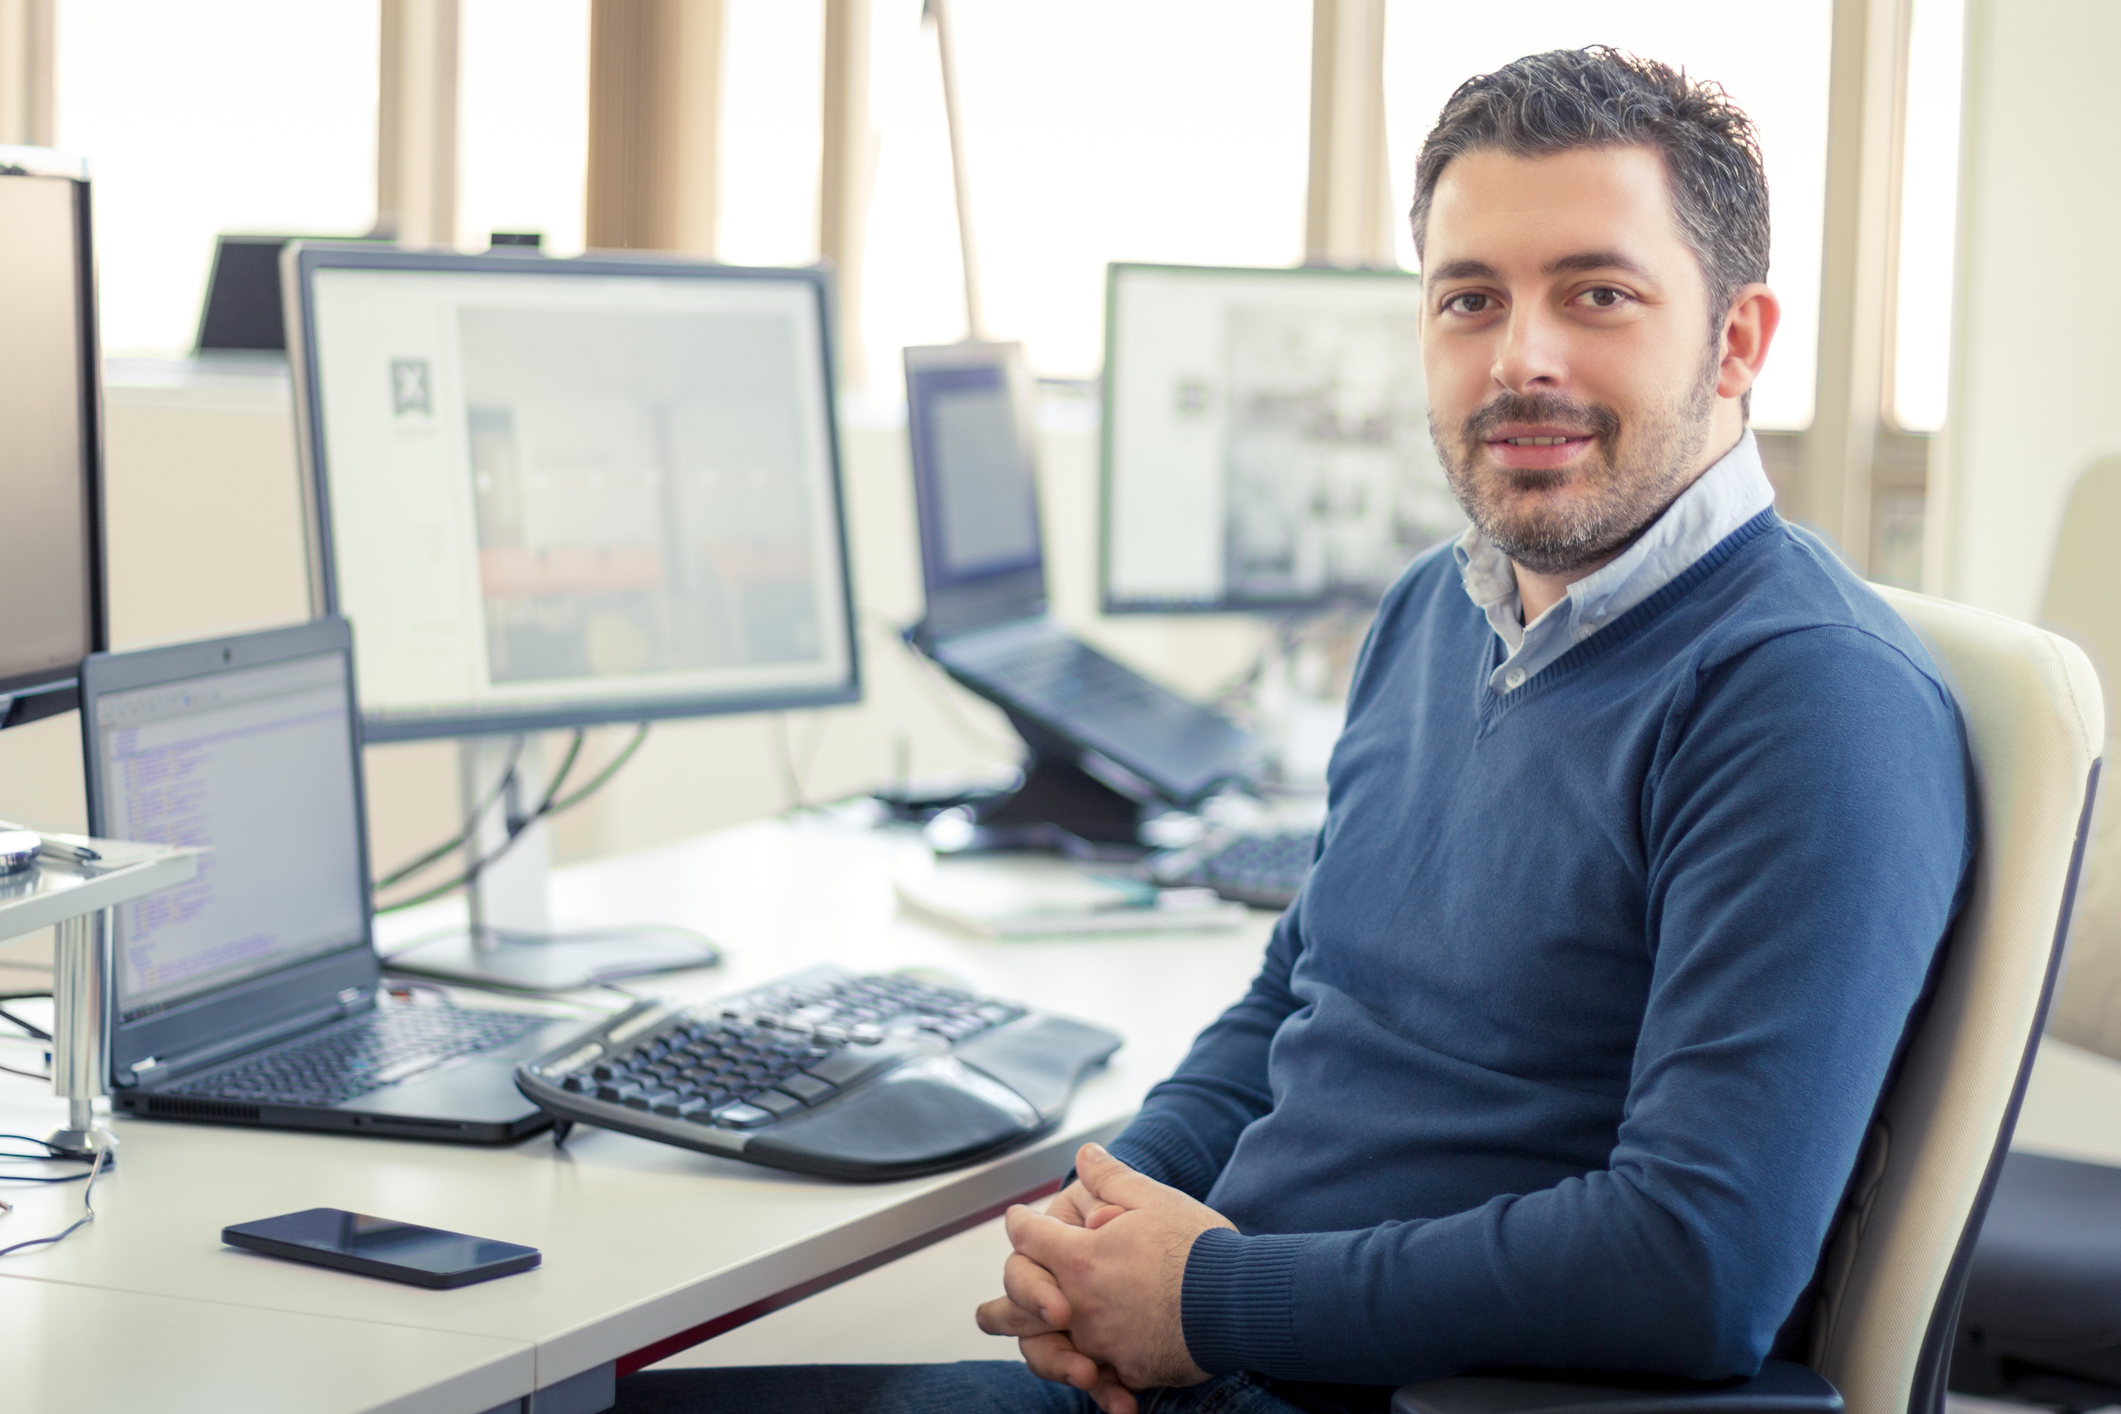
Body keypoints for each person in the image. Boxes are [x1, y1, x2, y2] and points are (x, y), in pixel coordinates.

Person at [615, 46, 1972, 1414]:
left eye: (1597, 294)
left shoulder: (1807, 699)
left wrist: (1201, 1300)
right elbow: (1295, 996)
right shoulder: (1434, 615)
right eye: (1468, 298)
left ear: (1736, 340)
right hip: (1225, 1364)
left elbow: (1696, 1262)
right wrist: (1109, 1217)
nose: (1521, 358)